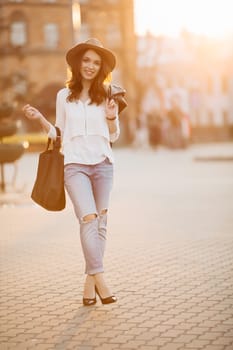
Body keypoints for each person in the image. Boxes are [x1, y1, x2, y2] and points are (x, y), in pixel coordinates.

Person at [23, 38, 126, 306]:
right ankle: (101, 279)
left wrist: (113, 117)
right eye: (86, 60)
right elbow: (59, 132)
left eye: (96, 62)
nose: (90, 66)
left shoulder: (108, 94)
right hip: (75, 165)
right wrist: (40, 119)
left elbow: (114, 135)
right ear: (78, 63)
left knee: (101, 222)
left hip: (103, 163)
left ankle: (88, 284)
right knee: (88, 219)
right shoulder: (63, 95)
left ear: (101, 67)